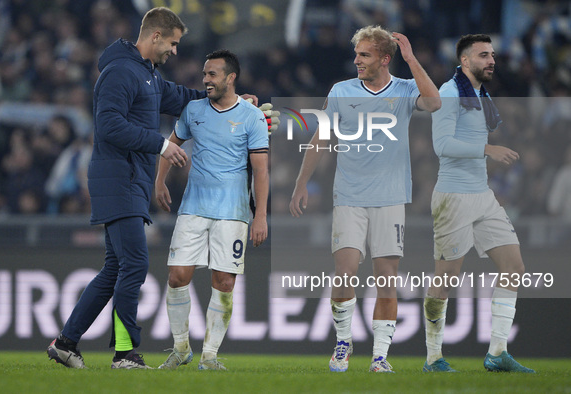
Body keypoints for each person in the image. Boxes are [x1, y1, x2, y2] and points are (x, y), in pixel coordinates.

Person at [47, 7, 207, 369]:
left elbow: (182, 98)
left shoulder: (146, 75)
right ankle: (124, 354)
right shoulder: (120, 72)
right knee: (134, 264)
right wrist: (162, 144)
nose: (175, 51)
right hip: (117, 178)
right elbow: (108, 126)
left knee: (116, 268)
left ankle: (66, 342)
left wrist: (229, 101)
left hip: (130, 179)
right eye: (173, 43)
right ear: (155, 36)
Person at [289, 25, 440, 373]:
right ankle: (343, 342)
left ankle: (380, 356)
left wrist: (412, 59)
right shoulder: (341, 90)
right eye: (357, 54)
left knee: (386, 278)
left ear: (385, 59)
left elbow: (433, 102)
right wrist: (301, 184)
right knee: (345, 272)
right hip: (350, 197)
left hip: (390, 198)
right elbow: (320, 138)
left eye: (365, 55)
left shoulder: (403, 89)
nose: (357, 60)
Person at [422, 34, 535, 373]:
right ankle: (433, 358)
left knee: (514, 267)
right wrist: (487, 149)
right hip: (453, 196)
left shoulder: (480, 94)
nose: (491, 61)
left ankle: (497, 353)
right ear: (465, 60)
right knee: (446, 278)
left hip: (481, 194)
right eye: (484, 55)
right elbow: (441, 145)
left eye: (493, 55)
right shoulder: (448, 93)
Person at [155, 49, 269, 371]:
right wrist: (160, 182)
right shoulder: (193, 111)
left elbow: (261, 171)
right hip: (194, 206)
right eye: (205, 74)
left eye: (212, 75)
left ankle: (210, 356)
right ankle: (180, 349)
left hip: (233, 211)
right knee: (177, 276)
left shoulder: (252, 116)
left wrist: (259, 215)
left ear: (230, 78)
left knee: (225, 282)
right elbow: (171, 144)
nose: (205, 80)